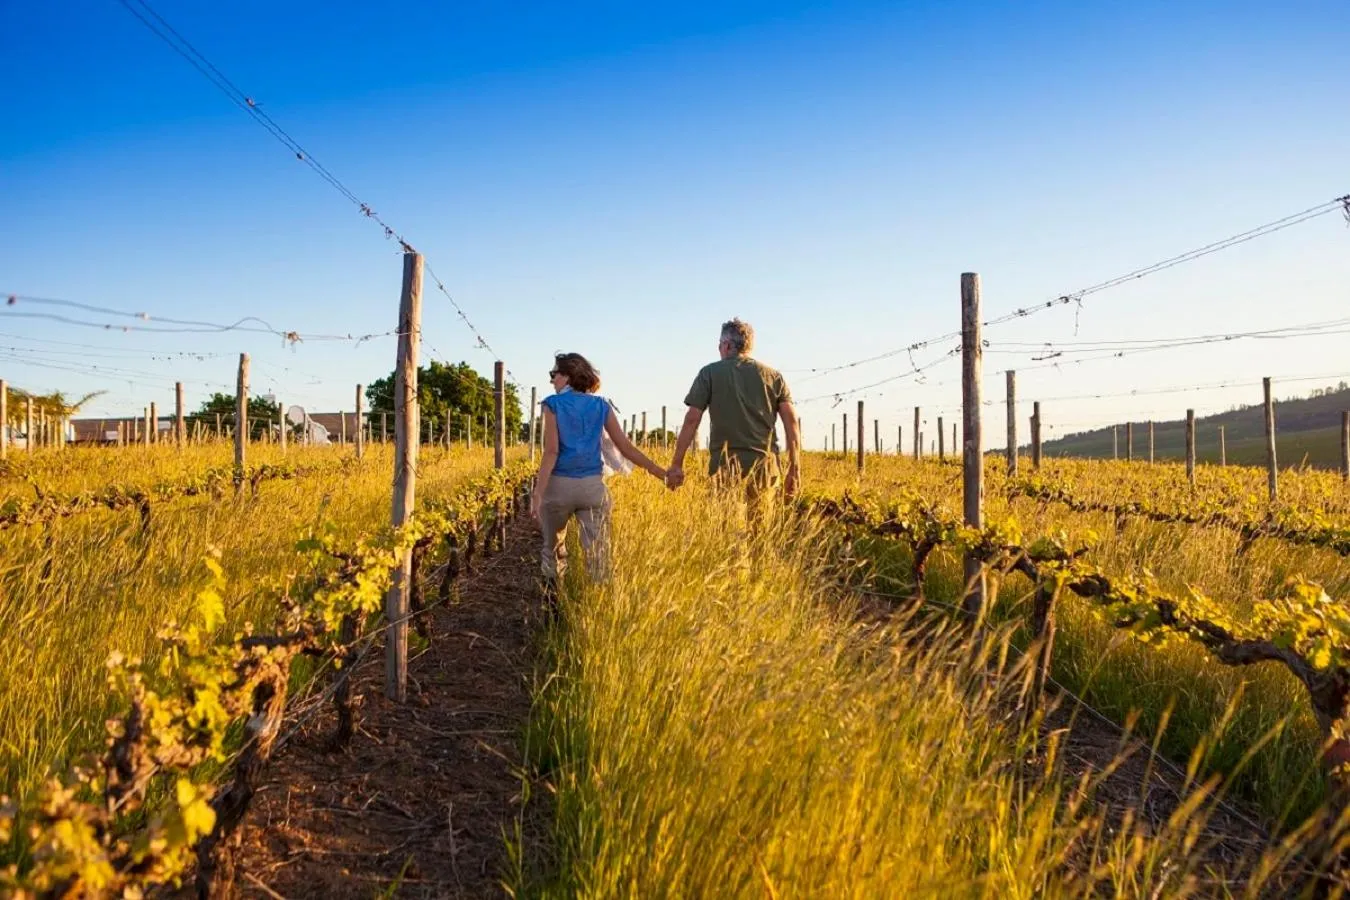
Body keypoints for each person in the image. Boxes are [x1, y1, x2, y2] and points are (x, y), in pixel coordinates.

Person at [530, 352, 666, 591]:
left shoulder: (552, 404)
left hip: (559, 486)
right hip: (593, 488)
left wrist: (538, 493)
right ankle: (600, 604)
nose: (551, 380)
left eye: (554, 374)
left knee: (551, 549)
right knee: (599, 555)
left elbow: (551, 451)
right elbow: (625, 447)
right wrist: (660, 472)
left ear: (568, 377)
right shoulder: (601, 405)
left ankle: (552, 608)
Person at [666, 318, 800, 500]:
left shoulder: (709, 373)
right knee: (761, 528)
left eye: (720, 345)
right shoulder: (774, 377)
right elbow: (791, 423)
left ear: (727, 346)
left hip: (724, 468)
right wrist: (794, 468)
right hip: (765, 468)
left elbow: (692, 419)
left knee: (725, 526)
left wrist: (676, 464)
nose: (719, 349)